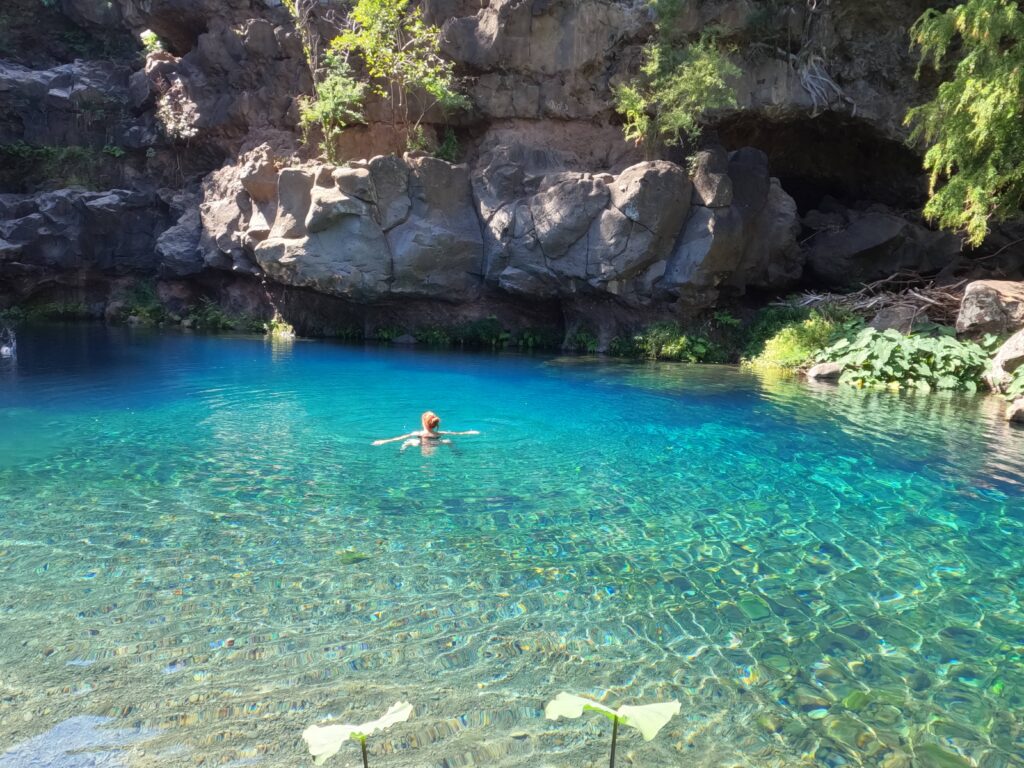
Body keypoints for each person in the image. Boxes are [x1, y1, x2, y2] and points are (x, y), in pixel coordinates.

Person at [372, 410, 479, 451]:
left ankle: (401, 453)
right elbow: (457, 433)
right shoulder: (440, 433)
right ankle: (456, 452)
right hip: (436, 444)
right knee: (449, 441)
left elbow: (398, 438)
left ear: (423, 423)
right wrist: (470, 432)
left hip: (421, 444)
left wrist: (383, 441)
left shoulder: (417, 433)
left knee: (407, 442)